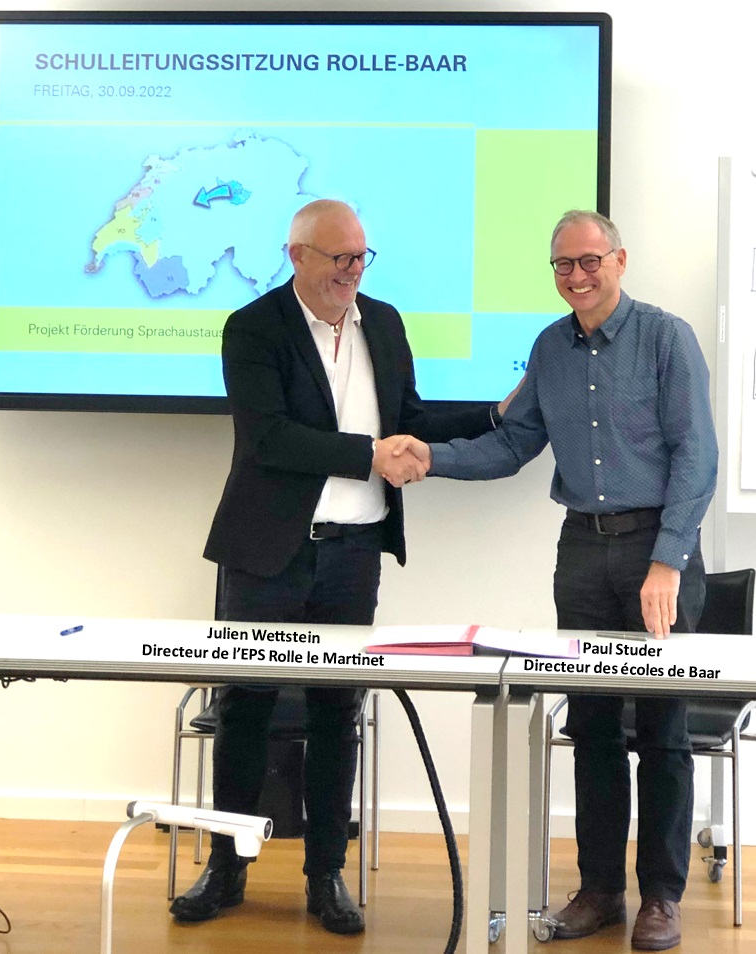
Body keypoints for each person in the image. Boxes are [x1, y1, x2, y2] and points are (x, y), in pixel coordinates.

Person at [169, 199, 510, 935]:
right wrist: (369, 456)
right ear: (297, 255)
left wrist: (492, 414)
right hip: (269, 553)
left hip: (354, 554)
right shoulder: (253, 327)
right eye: (338, 258)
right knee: (246, 709)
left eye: (361, 257)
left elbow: (408, 418)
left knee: (336, 712)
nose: (352, 271)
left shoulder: (382, 323)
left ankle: (326, 874)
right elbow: (270, 438)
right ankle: (227, 867)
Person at [392, 210, 718, 951]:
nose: (576, 276)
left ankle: (661, 897)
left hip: (656, 551)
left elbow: (697, 454)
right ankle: (600, 890)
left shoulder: (666, 338)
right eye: (563, 264)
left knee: (662, 732)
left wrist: (668, 559)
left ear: (620, 261)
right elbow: (513, 444)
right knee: (592, 727)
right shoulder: (549, 347)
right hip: (581, 553)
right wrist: (432, 458)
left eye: (589, 261)